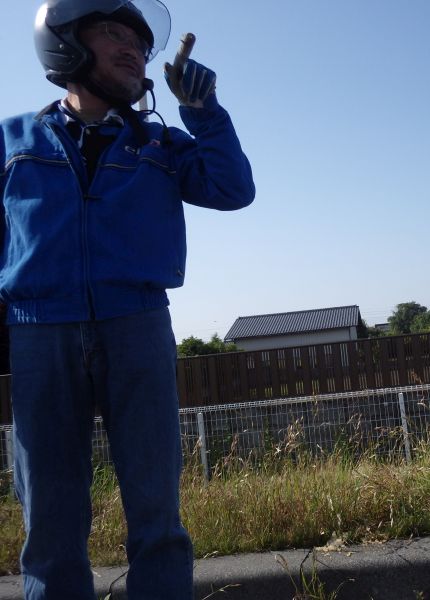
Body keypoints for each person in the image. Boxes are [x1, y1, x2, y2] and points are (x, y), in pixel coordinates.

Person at [0, 0, 255, 598]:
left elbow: (232, 188)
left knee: (156, 511)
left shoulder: (161, 142)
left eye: (140, 44)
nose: (132, 50)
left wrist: (205, 113)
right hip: (39, 332)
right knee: (50, 520)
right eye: (113, 33)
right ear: (64, 44)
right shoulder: (12, 140)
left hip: (138, 325)